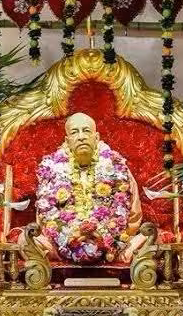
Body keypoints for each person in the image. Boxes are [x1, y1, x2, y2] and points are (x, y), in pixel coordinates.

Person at [34, 112, 144, 264]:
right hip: (63, 245)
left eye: (86, 131)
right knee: (27, 240)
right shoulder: (52, 170)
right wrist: (70, 235)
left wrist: (106, 235)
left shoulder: (117, 168)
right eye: (74, 132)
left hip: (112, 247)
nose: (81, 136)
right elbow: (45, 217)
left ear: (96, 137)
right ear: (67, 141)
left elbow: (133, 214)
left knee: (147, 238)